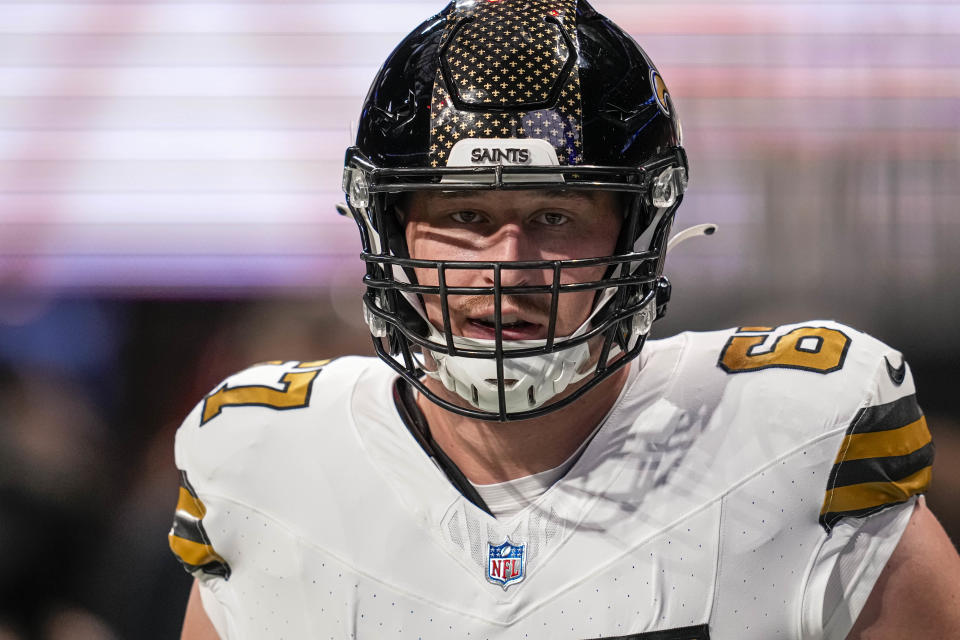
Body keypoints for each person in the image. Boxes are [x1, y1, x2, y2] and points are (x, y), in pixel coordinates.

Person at [169, 0, 960, 637]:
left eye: (553, 216)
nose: (507, 267)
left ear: (637, 231)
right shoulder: (263, 465)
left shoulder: (799, 438)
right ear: (391, 229)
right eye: (466, 215)